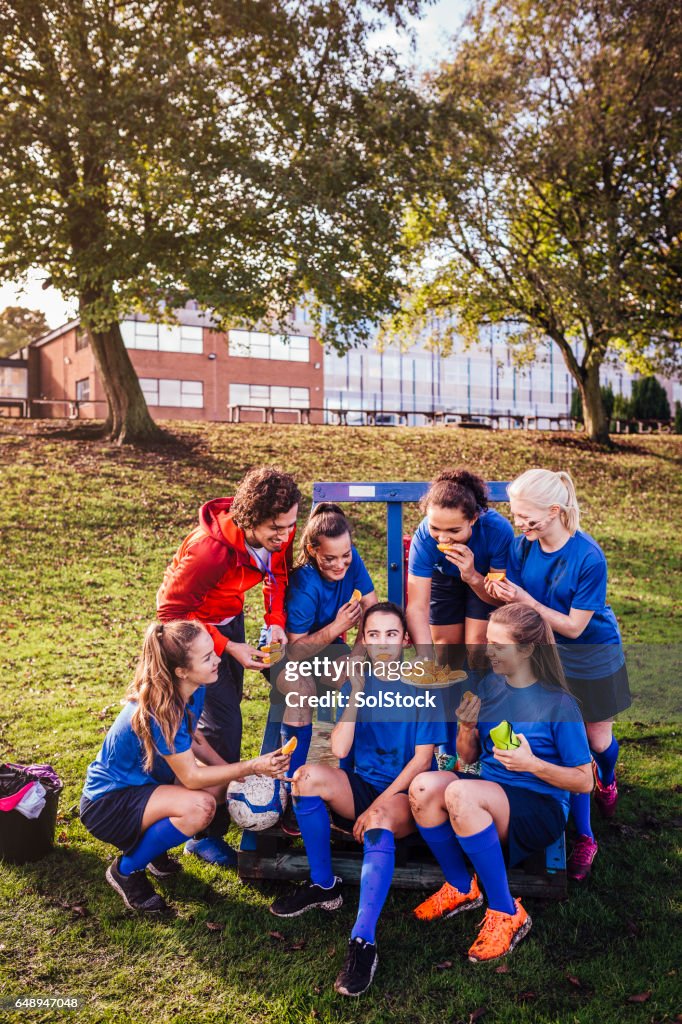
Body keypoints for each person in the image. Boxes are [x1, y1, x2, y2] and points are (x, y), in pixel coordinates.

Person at [270, 603, 447, 997]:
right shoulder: (358, 681)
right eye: (373, 635)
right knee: (306, 778)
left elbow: (421, 761)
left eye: (390, 635)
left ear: (404, 640)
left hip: (405, 793)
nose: (382, 644)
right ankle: (323, 885)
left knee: (380, 819)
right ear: (363, 641)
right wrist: (355, 695)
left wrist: (375, 805)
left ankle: (362, 941)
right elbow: (338, 746)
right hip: (362, 783)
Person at [409, 604, 592, 963]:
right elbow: (469, 758)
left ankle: (506, 912)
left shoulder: (559, 705)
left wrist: (533, 764)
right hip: (490, 789)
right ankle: (462, 887)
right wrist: (465, 728)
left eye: (497, 645)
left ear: (526, 650)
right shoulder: (492, 685)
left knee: (460, 793)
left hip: (539, 805)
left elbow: (584, 781)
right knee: (423, 787)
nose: (487, 651)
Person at [80, 621, 290, 914]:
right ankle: (126, 871)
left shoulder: (194, 686)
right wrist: (251, 766)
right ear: (181, 671)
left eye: (213, 652)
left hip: (144, 787)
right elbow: (191, 777)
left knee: (221, 787)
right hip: (108, 805)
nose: (218, 659)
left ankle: (151, 851)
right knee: (200, 807)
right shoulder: (160, 710)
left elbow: (195, 738)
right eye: (207, 658)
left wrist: (240, 775)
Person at [484, 468, 631, 881]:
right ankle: (584, 836)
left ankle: (607, 777)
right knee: (574, 740)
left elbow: (574, 627)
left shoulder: (588, 557)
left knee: (599, 740)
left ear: (553, 511)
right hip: (547, 655)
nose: (518, 524)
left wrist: (525, 599)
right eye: (515, 515)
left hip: (591, 654)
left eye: (526, 517)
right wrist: (492, 589)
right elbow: (514, 601)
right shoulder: (523, 547)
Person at [156, 466, 301, 865]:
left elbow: (278, 576)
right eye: (277, 527)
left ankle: (188, 808)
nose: (285, 535)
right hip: (191, 639)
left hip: (226, 625)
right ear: (250, 518)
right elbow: (169, 612)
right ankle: (202, 832)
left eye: (290, 525)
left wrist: (274, 622)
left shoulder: (277, 534)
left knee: (218, 719)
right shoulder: (209, 550)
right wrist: (226, 647)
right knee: (222, 728)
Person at [277, 503, 377, 791]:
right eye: (330, 558)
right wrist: (338, 627)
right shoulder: (305, 585)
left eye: (345, 556)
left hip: (326, 646)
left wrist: (356, 657)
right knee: (301, 691)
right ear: (312, 551)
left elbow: (371, 610)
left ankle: (351, 777)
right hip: (284, 649)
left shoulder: (351, 559)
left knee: (359, 680)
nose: (340, 565)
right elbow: (295, 651)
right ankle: (290, 785)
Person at [406, 469, 513, 664]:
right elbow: (417, 606)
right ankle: (450, 693)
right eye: (435, 528)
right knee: (445, 649)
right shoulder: (423, 538)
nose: (444, 538)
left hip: (484, 578)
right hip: (444, 577)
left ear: (473, 518)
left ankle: (481, 693)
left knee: (478, 646)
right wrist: (424, 653)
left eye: (454, 530)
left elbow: (500, 600)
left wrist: (472, 576)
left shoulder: (497, 530)